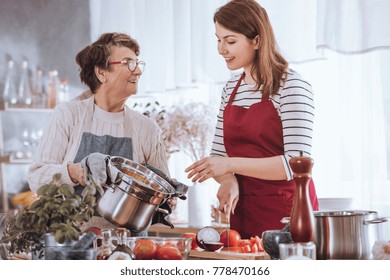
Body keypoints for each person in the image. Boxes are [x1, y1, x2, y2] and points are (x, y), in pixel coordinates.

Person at [185, 0, 319, 239]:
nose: (221, 49)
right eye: (218, 39)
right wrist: (228, 180)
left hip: (288, 215)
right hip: (243, 213)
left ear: (256, 41)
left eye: (231, 41)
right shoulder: (230, 89)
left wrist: (230, 166)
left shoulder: (292, 86)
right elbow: (219, 156)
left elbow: (296, 163)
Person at [27, 32, 170, 236]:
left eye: (138, 63)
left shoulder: (147, 128)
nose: (138, 71)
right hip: (72, 244)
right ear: (102, 73)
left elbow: (160, 198)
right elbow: (36, 178)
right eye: (128, 63)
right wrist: (76, 172)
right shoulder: (69, 114)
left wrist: (167, 193)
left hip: (127, 250)